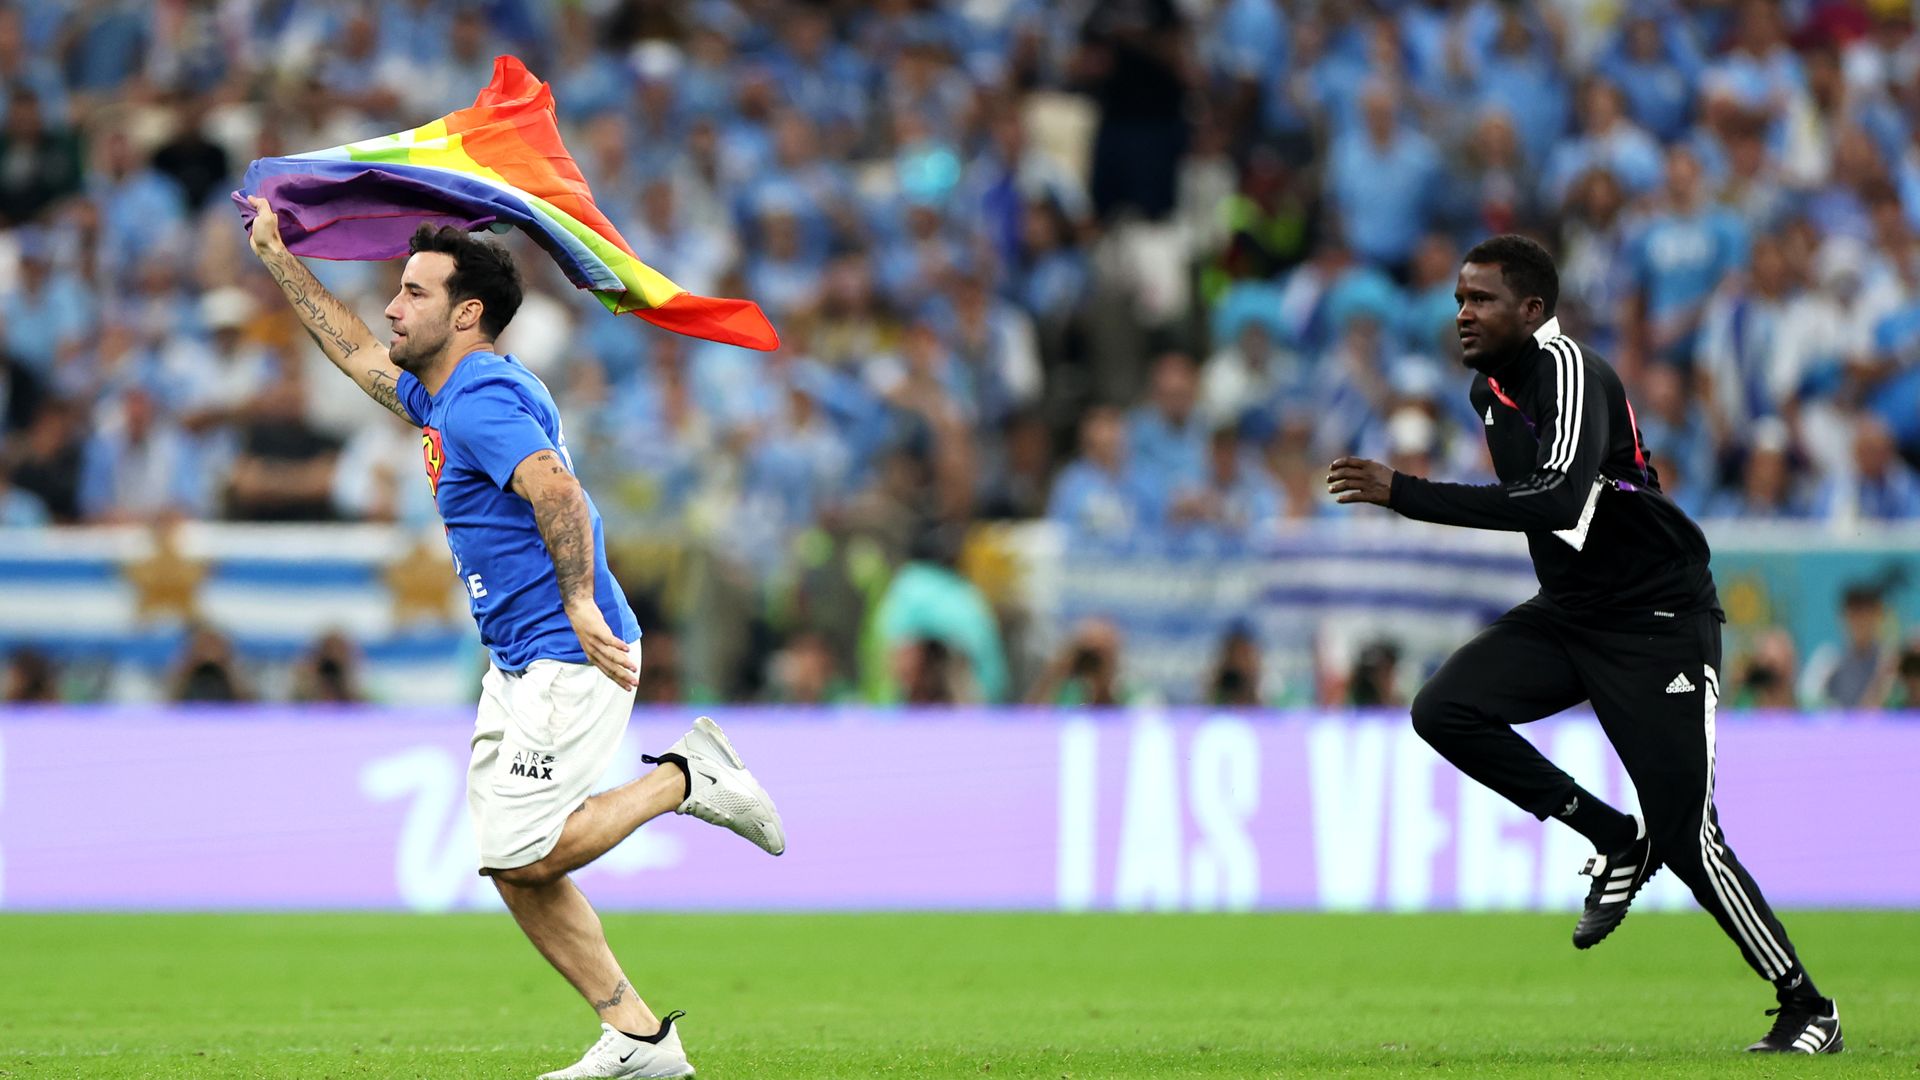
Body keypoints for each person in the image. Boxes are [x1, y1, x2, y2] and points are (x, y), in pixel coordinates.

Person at [246, 197, 784, 1080]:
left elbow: (560, 494)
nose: (391, 306)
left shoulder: (481, 399)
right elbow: (350, 353)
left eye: (413, 291)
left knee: (523, 851)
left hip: (571, 652)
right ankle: (640, 1041)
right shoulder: (448, 391)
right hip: (524, 656)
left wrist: (577, 603)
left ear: (467, 313)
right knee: (512, 866)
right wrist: (276, 255)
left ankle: (687, 779)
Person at [1327, 235, 1841, 1054]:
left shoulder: (1570, 370)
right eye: (1459, 298)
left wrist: (1405, 493)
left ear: (1532, 310)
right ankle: (1610, 836)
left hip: (1657, 625)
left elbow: (1560, 499)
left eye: (1481, 299)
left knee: (1688, 838)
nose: (1462, 313)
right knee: (1444, 709)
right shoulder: (1488, 388)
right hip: (1572, 613)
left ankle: (1807, 1005)